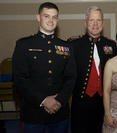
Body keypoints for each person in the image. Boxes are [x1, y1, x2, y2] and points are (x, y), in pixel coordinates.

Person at [12, 2, 76, 133]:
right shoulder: (23, 44)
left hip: (59, 113)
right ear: (38, 17)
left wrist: (59, 100)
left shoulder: (66, 47)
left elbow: (71, 77)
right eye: (46, 16)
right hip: (33, 114)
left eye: (54, 17)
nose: (51, 20)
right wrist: (43, 100)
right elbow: (19, 79)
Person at [70, 6, 117, 133]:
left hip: (104, 103)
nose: (95, 24)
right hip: (80, 104)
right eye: (91, 20)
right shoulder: (74, 45)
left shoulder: (111, 45)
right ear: (85, 23)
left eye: (99, 20)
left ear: (103, 23)